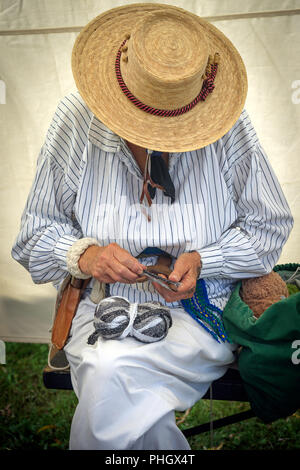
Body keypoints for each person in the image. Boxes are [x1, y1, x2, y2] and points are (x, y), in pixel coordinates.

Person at [11, 4, 293, 450]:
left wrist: (204, 260)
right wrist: (86, 255)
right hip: (102, 309)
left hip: (199, 314)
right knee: (111, 372)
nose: (161, 137)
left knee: (111, 382)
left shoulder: (228, 124)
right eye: (147, 122)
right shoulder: (75, 119)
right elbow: (33, 238)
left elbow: (269, 226)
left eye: (176, 125)